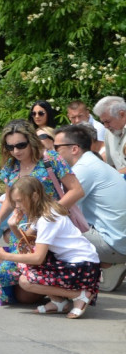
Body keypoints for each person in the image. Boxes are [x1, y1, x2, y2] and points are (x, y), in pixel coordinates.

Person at [0, 121, 86, 304]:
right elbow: (9, 199)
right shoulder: (10, 166)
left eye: (21, 145)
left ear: (31, 141)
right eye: (10, 146)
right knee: (11, 288)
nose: (16, 151)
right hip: (22, 232)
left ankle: (67, 292)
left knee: (26, 283)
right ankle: (55, 293)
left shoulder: (51, 159)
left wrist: (48, 214)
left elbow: (76, 190)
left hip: (49, 228)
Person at [0, 177, 100, 319]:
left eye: (20, 201)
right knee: (23, 267)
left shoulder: (47, 218)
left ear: (34, 196)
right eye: (15, 202)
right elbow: (27, 244)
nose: (17, 206)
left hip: (83, 266)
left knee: (26, 280)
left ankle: (79, 295)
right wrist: (13, 226)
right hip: (77, 263)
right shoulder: (43, 212)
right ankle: (59, 302)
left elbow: (37, 257)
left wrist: (4, 256)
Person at [53, 125, 126, 292]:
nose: (53, 152)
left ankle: (68, 283)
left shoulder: (83, 170)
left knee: (53, 232)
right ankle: (108, 265)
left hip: (115, 244)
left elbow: (61, 209)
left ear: (74, 149)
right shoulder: (92, 162)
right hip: (119, 240)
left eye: (56, 147)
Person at [94, 96, 126, 172]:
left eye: (107, 121)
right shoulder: (108, 134)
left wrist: (118, 175)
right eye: (103, 122)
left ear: (122, 114)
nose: (105, 126)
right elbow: (111, 165)